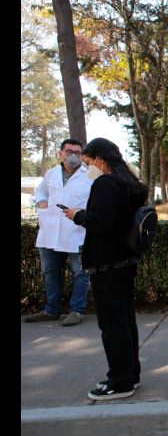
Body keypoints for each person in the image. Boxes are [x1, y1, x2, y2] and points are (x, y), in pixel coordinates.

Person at [63, 138, 147, 400]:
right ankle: (129, 374)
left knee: (112, 326)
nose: (87, 167)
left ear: (99, 159)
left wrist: (78, 215)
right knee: (125, 322)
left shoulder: (105, 184)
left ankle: (120, 381)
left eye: (88, 161)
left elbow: (101, 223)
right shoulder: (132, 185)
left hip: (107, 264)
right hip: (126, 261)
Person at [25, 139, 92, 327]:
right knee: (50, 272)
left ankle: (77, 311)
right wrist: (41, 202)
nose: (73, 156)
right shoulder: (51, 174)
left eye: (78, 153)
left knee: (80, 273)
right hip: (50, 231)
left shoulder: (91, 175)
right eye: (69, 151)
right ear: (60, 153)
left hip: (77, 232)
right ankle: (51, 310)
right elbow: (41, 191)